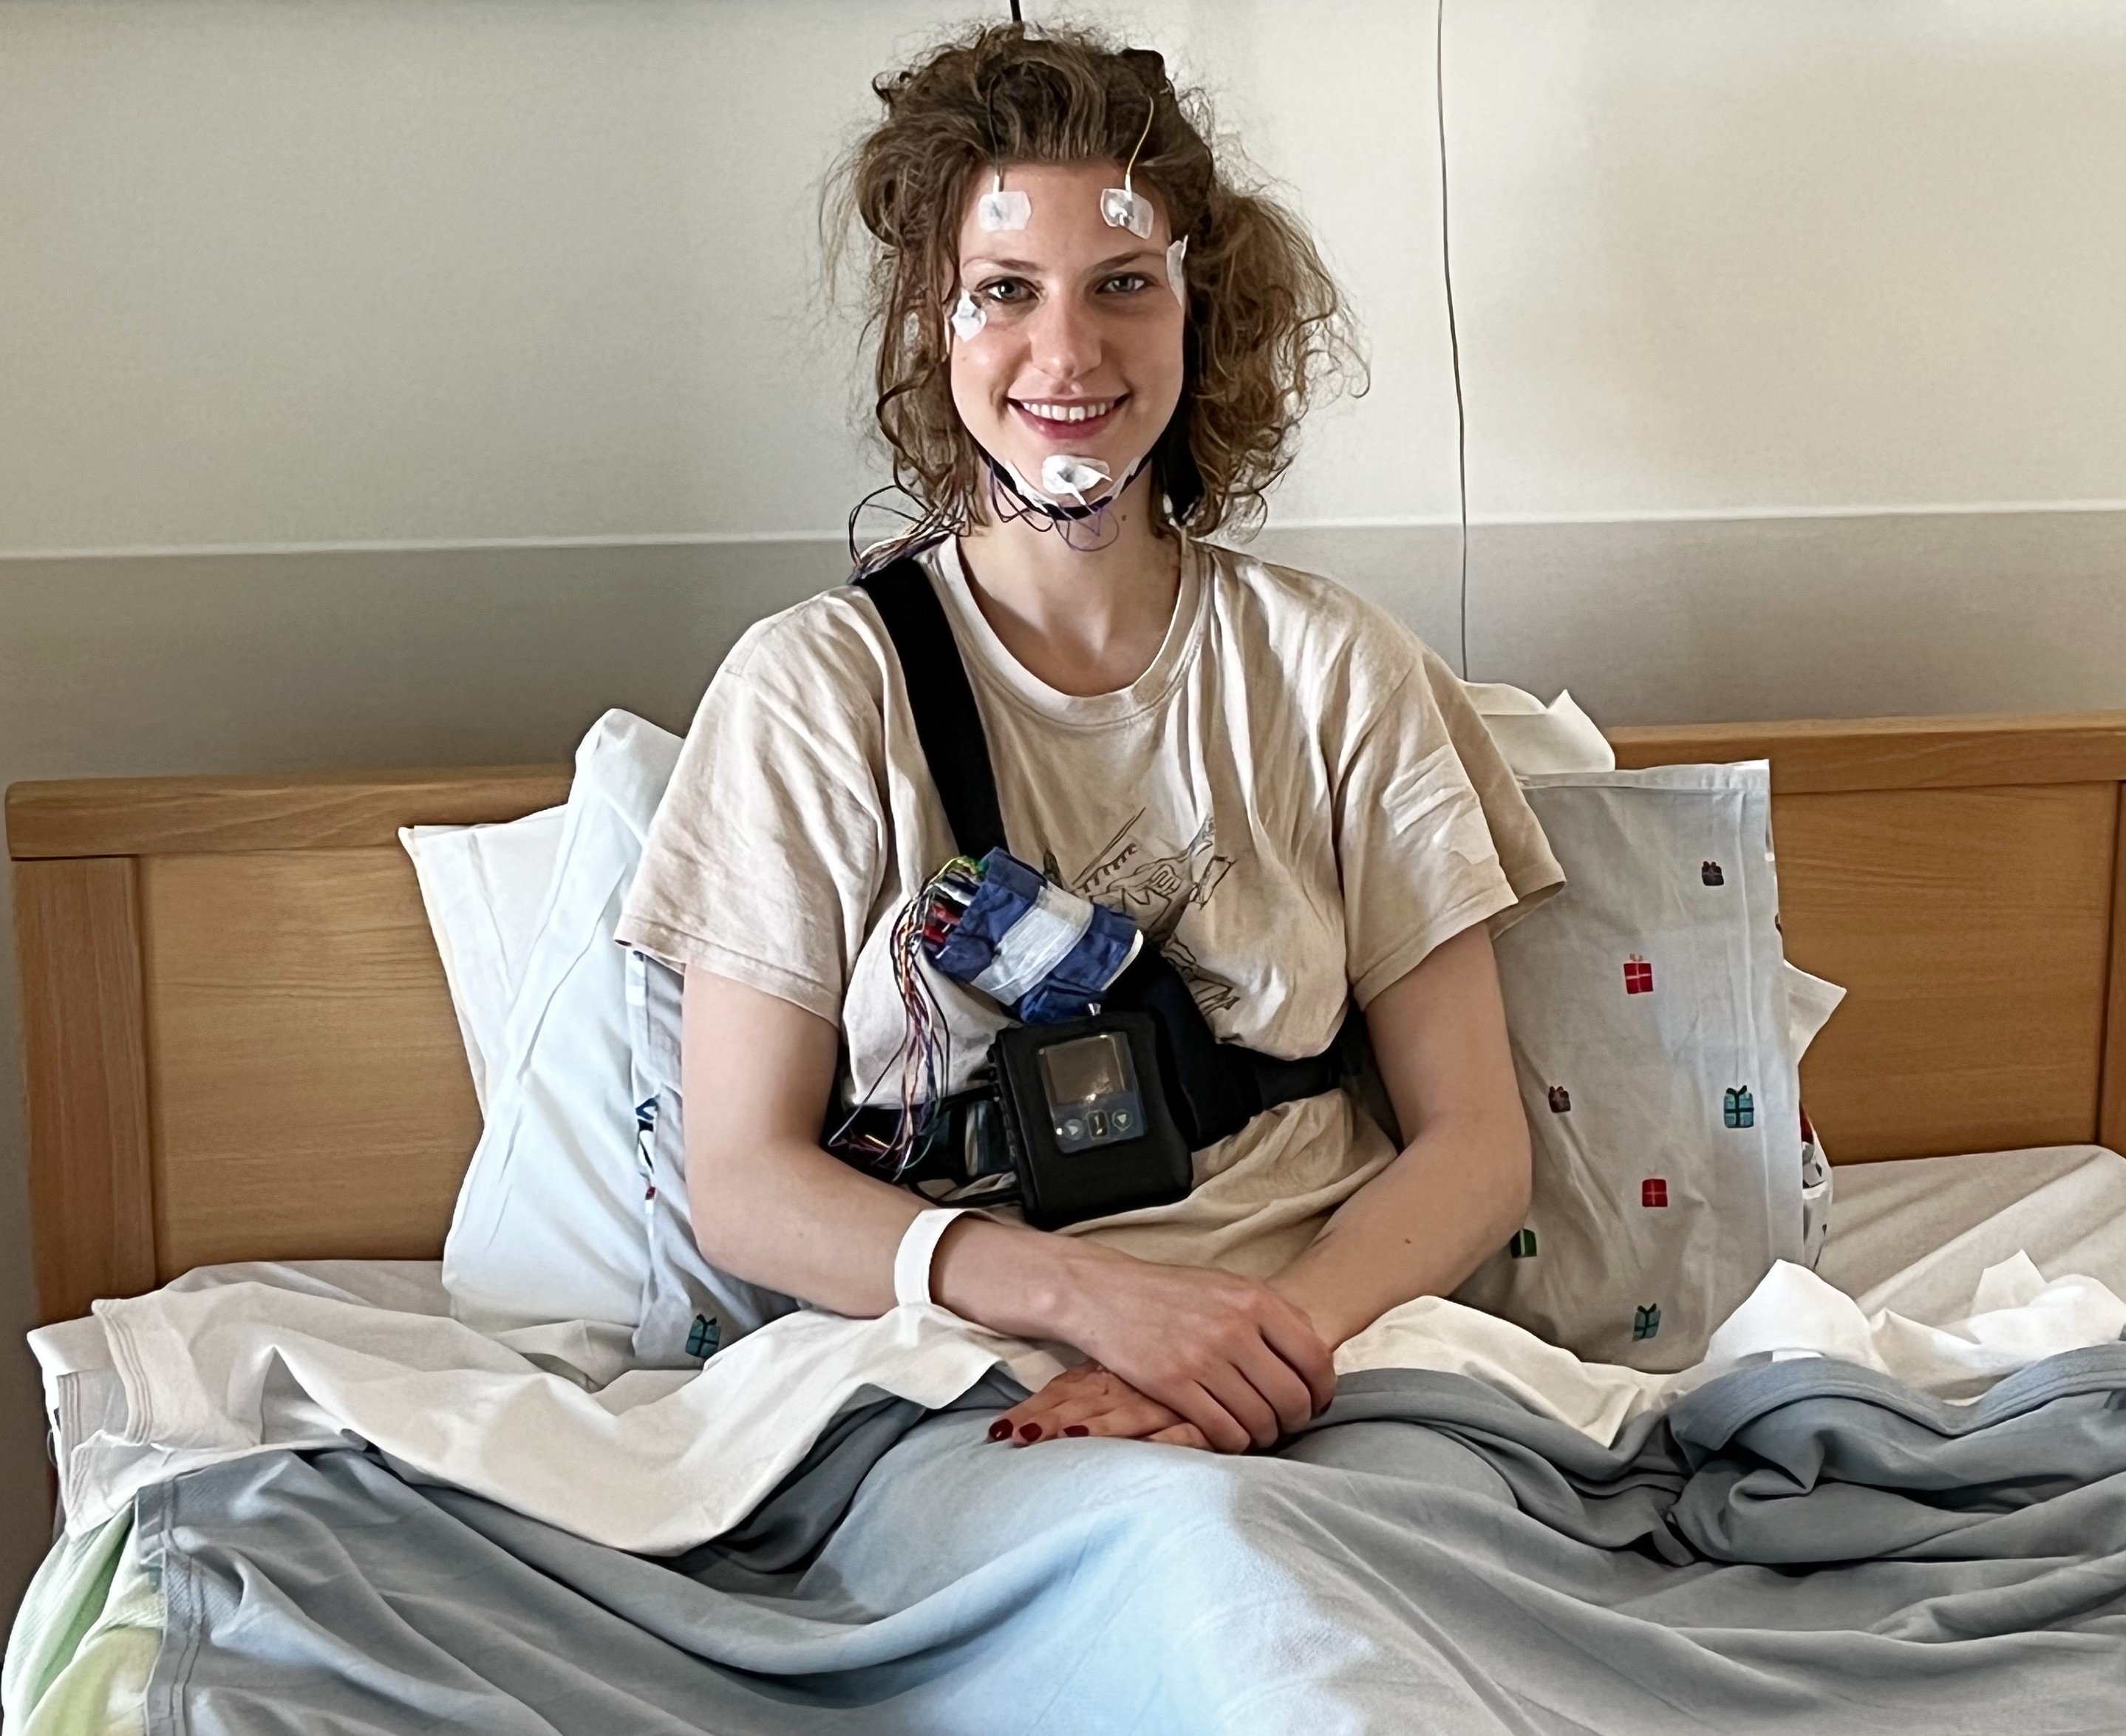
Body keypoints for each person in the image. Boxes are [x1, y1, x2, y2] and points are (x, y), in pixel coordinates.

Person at [617, 21, 1561, 1457]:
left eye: (1122, 284)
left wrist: (1245, 1355)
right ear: (931, 327)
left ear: (1198, 311)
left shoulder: (1333, 668)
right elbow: (743, 1179)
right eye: (1005, 291)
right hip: (965, 1390)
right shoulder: (811, 693)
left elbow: (1476, 1147)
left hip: (1330, 1360)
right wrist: (1101, 1303)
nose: (1066, 350)